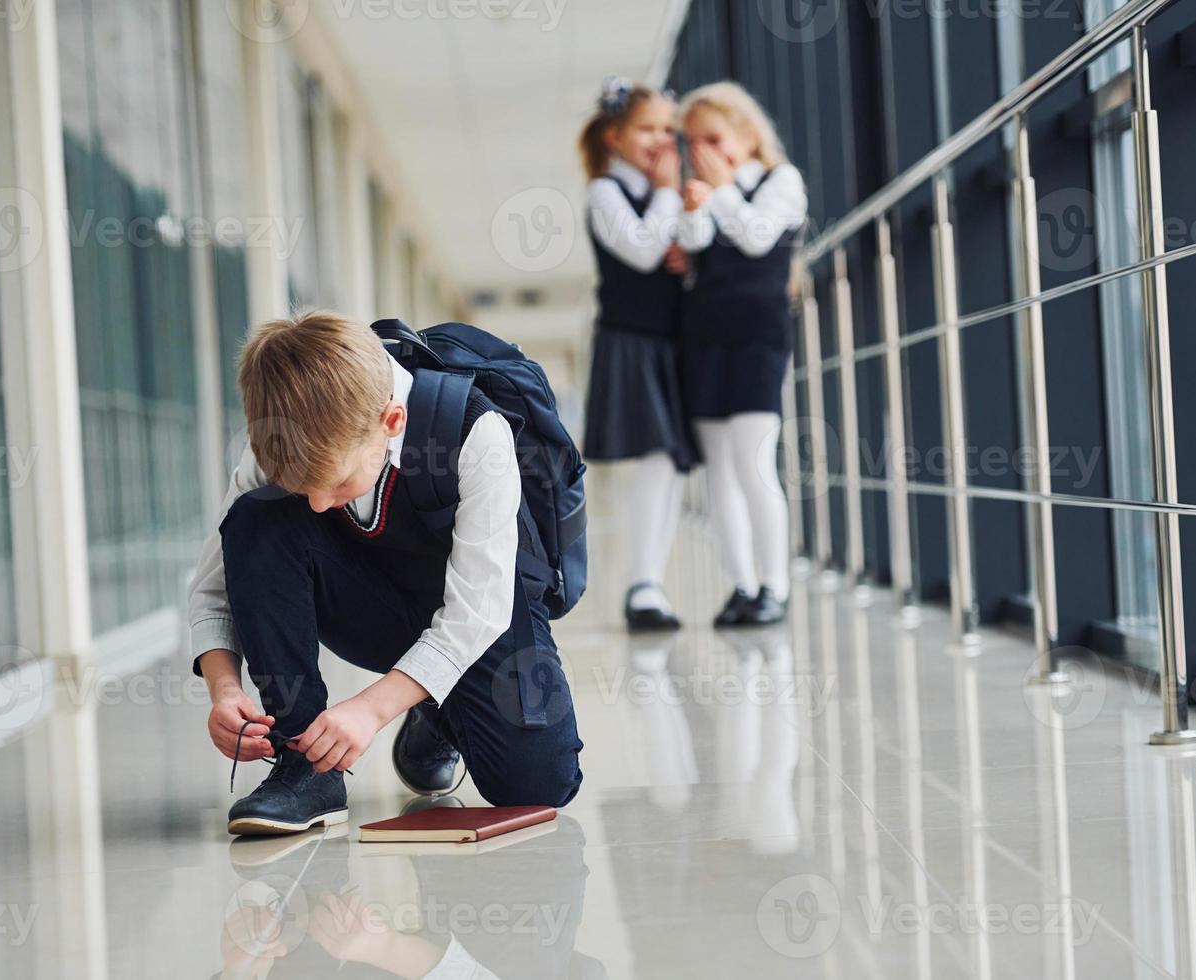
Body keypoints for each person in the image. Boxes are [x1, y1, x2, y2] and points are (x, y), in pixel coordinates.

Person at [189, 311, 583, 836]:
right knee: (257, 520)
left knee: (537, 787)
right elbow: (213, 588)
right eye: (303, 488)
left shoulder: (475, 432)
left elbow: (477, 611)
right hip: (374, 602)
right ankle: (306, 767)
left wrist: (371, 710)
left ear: (391, 421)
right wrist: (224, 691)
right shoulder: (282, 440)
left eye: (336, 483)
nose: (318, 504)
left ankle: (434, 711)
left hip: (481, 610)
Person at [677, 81, 808, 628]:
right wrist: (692, 209)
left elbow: (756, 237)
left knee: (755, 464)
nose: (704, 152)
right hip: (706, 338)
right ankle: (741, 585)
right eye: (694, 142)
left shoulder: (782, 182)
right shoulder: (708, 193)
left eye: (714, 138)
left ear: (747, 135)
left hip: (757, 337)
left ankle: (774, 586)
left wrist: (723, 189)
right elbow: (693, 249)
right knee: (721, 476)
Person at [578, 76, 696, 632]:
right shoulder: (606, 192)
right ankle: (643, 584)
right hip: (633, 339)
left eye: (668, 130)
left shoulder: (663, 195)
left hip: (671, 340)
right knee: (655, 458)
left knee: (670, 463)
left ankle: (650, 581)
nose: (660, 140)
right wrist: (672, 195)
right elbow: (644, 252)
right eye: (648, 128)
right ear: (614, 136)